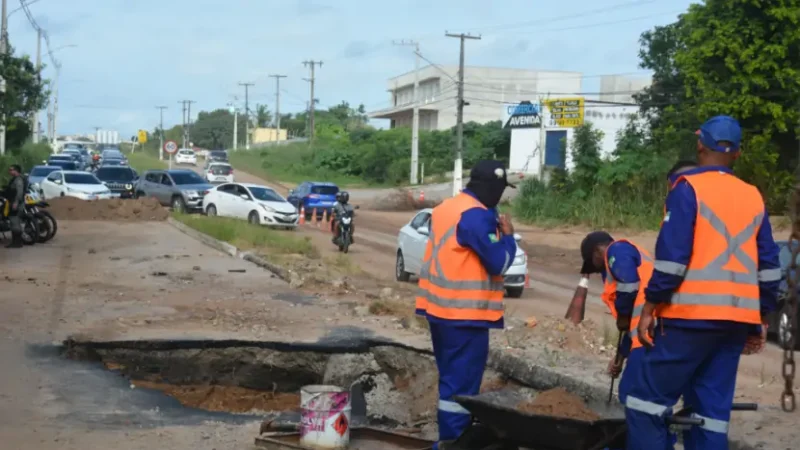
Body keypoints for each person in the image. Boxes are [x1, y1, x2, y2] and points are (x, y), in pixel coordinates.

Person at [624, 116, 782, 450]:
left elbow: (670, 262)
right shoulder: (753, 196)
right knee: (711, 414)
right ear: (737, 153)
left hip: (687, 318)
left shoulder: (687, 189)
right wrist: (762, 317)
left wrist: (650, 306)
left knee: (645, 404)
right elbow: (769, 266)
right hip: (735, 324)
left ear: (700, 144)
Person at [415, 160, 517, 449]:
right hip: (465, 316)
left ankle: (451, 439)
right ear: (492, 188)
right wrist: (508, 237)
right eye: (500, 191)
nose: (501, 198)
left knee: (450, 381)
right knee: (461, 387)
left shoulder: (448, 207)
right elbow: (500, 262)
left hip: (440, 311)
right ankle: (453, 442)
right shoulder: (475, 216)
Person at [578, 231, 653, 404]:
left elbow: (629, 285)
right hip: (645, 336)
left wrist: (623, 315)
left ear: (598, 251)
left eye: (593, 264)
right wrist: (620, 357)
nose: (597, 271)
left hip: (649, 335)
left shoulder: (617, 250)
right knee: (642, 395)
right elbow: (629, 328)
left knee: (633, 394)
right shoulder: (622, 258)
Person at [3, 164, 26, 248]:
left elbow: (19, 192)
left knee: (15, 222)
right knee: (14, 222)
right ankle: (17, 242)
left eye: (11, 169)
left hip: (16, 203)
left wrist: (16, 202)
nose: (10, 171)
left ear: (16, 170)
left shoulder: (18, 180)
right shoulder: (15, 179)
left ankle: (17, 243)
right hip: (13, 202)